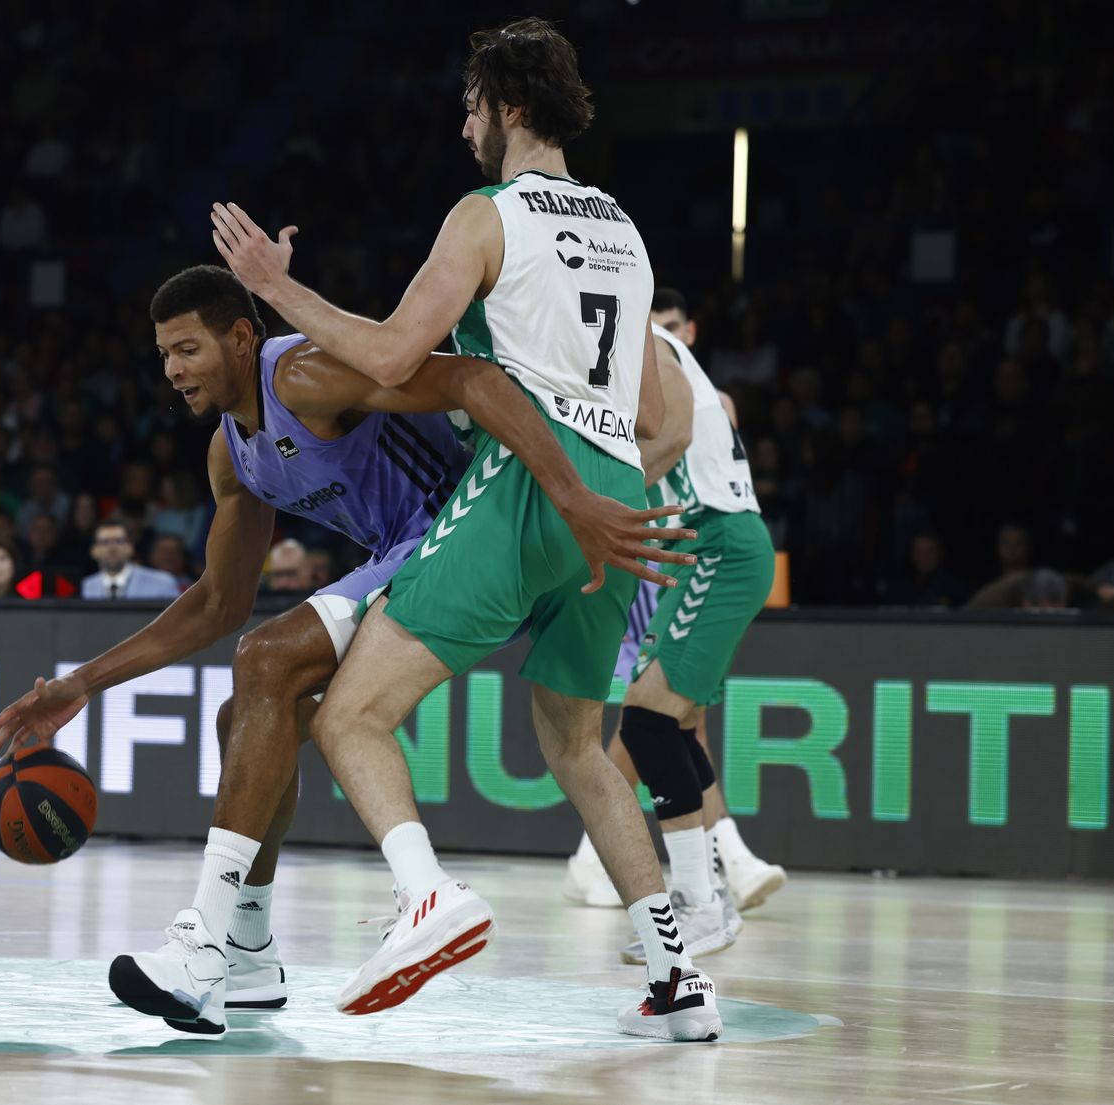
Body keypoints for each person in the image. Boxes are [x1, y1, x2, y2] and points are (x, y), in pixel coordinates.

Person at [0, 263, 687, 1036]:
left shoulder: (305, 374)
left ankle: (204, 944)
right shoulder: (232, 455)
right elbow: (219, 601)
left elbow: (471, 380)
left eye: (187, 349)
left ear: (241, 336)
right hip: (417, 558)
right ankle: (248, 947)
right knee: (247, 715)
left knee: (266, 661)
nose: (172, 371)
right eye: (163, 355)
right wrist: (83, 682)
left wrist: (564, 493)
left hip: (465, 537)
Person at [212, 18, 718, 1039]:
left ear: (511, 108)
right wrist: (606, 487)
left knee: (349, 714)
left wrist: (276, 288)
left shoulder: (487, 214)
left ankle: (427, 898)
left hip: (526, 477)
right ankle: (680, 984)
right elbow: (666, 421)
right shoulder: (623, 228)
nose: (463, 126)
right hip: (614, 490)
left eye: (472, 108)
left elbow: (397, 355)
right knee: (577, 743)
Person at [564, 290, 786, 920]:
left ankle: (696, 893)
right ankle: (709, 878)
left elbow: (677, 432)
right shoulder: (681, 365)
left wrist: (599, 509)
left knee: (651, 720)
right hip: (694, 544)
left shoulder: (652, 349)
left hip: (710, 538)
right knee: (670, 719)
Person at [79, 520, 182, 600]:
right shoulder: (84, 587)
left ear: (130, 548)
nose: (112, 548)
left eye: (119, 541)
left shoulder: (163, 583)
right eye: (105, 542)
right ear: (93, 551)